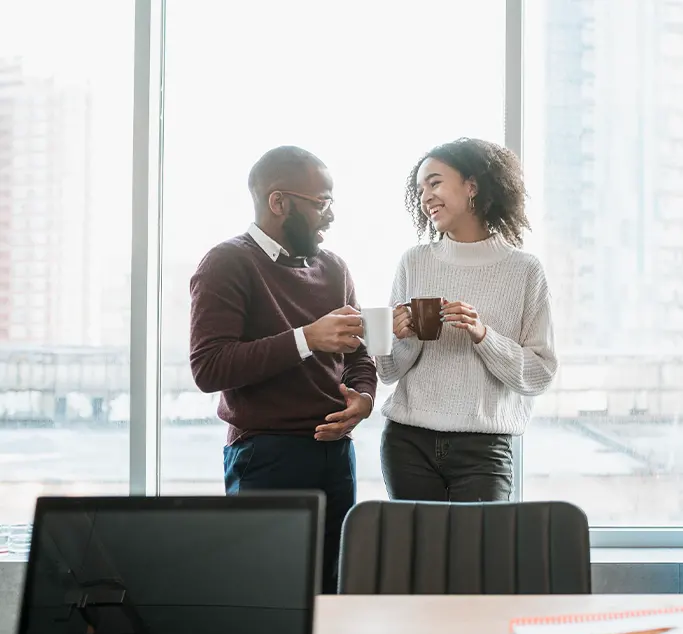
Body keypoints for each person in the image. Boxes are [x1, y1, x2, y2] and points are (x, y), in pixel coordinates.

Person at [189, 145, 377, 594]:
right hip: (265, 454)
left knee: (331, 589)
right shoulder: (227, 263)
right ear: (279, 202)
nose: (330, 215)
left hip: (336, 453)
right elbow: (209, 367)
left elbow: (359, 355)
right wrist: (307, 338)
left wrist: (365, 398)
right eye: (321, 203)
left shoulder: (335, 269)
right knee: (266, 593)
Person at [376, 137, 557, 502]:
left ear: (472, 186)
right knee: (418, 542)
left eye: (435, 183)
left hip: (484, 450)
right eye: (420, 189)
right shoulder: (413, 261)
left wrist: (483, 335)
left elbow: (540, 374)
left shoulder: (525, 270)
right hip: (407, 443)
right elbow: (388, 371)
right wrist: (403, 336)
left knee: (479, 542)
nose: (426, 197)